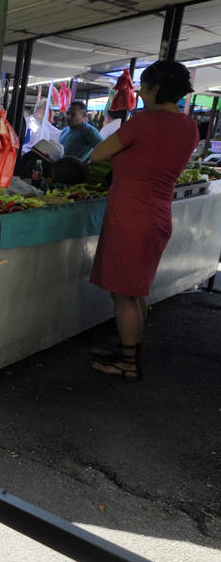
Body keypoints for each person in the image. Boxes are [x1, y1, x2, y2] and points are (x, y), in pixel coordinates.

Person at [88, 60, 199, 380]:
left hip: (132, 214)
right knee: (135, 290)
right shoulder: (190, 126)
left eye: (144, 86)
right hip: (158, 213)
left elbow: (97, 154)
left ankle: (129, 363)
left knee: (124, 293)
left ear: (155, 89)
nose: (140, 91)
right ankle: (128, 349)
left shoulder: (145, 122)